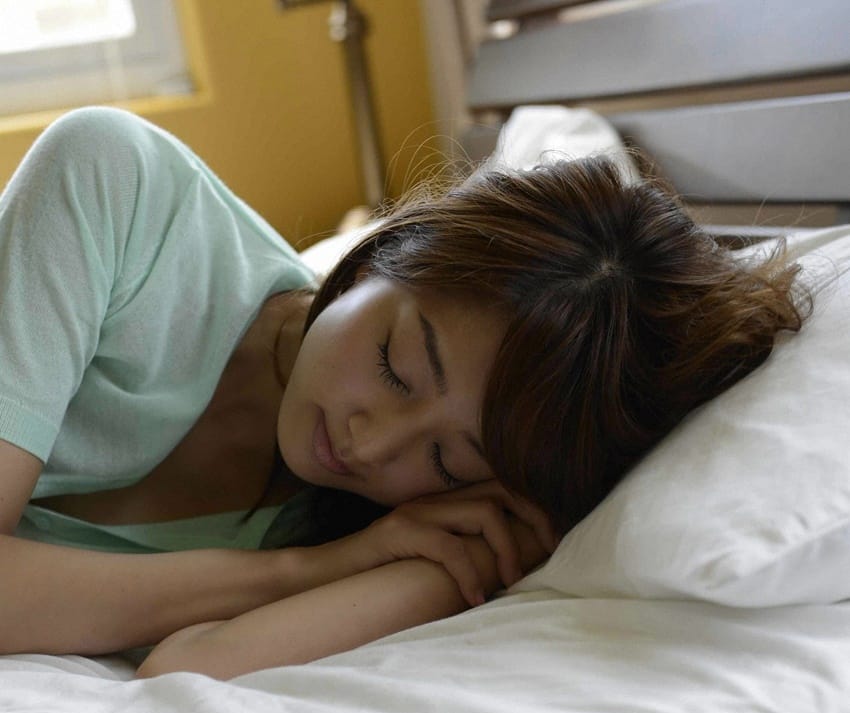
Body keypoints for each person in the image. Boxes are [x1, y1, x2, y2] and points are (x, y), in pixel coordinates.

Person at [0, 107, 807, 681]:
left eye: (447, 458)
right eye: (395, 366)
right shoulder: (119, 190)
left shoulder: (388, 514)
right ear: (384, 254)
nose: (370, 444)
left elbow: (190, 668)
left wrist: (442, 561)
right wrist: (303, 571)